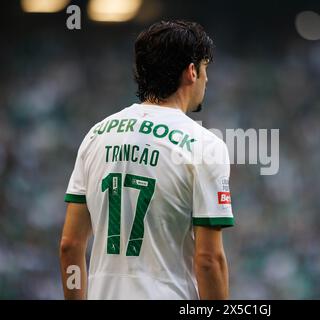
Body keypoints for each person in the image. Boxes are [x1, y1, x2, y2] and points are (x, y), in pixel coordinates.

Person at [59, 20, 234, 300]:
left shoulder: (96, 135)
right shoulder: (206, 146)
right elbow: (209, 260)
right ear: (191, 72)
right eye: (205, 69)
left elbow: (70, 245)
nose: (207, 79)